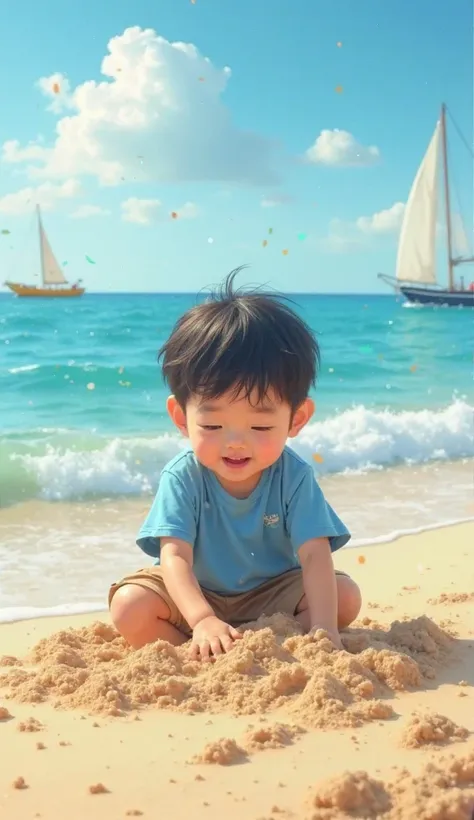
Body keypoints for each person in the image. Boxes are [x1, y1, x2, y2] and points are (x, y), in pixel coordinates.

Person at [109, 270, 361, 660]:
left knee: (344, 598)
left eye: (260, 425)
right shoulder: (183, 476)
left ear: (296, 419)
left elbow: (314, 555)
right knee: (129, 606)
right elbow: (175, 558)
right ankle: (201, 651)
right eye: (212, 425)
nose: (236, 441)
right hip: (195, 592)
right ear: (181, 418)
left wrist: (326, 630)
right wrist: (202, 618)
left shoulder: (293, 475)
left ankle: (260, 644)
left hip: (273, 590)